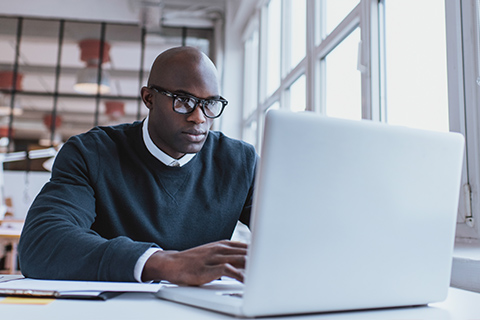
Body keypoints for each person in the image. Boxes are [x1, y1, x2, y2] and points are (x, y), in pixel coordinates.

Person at [18, 46, 258, 285]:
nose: (200, 117)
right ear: (149, 98)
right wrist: (161, 263)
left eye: (211, 103)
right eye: (183, 101)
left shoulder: (240, 162)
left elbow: (289, 233)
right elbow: (41, 243)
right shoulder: (91, 153)